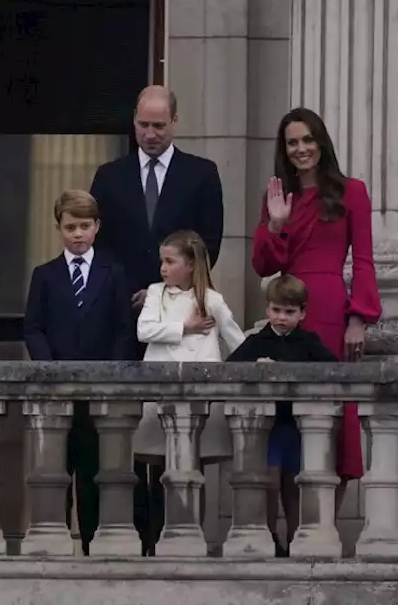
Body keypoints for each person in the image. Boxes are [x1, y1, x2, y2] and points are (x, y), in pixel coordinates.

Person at [252, 107, 383, 518]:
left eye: (308, 140)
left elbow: (363, 259)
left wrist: (359, 317)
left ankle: (322, 526)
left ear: (321, 142)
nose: (301, 149)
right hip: (288, 308)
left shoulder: (352, 192)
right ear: (284, 149)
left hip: (328, 309)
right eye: (293, 142)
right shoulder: (277, 197)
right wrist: (275, 225)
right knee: (289, 421)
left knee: (333, 419)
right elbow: (262, 264)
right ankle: (294, 533)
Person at [22, 189, 133, 554]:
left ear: (97, 227)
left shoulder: (114, 272)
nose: (78, 234)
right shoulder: (45, 275)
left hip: (99, 392)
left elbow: (122, 328)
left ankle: (90, 544)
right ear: (59, 228)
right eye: (70, 227)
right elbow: (33, 327)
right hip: (56, 392)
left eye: (85, 226)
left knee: (93, 471)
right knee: (54, 472)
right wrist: (50, 369)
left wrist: (109, 374)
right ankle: (55, 544)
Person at [133, 229, 245, 556]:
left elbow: (235, 339)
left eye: (170, 262)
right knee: (157, 466)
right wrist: (185, 328)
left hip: (199, 397)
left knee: (194, 468)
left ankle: (195, 535)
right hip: (159, 392)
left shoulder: (211, 300)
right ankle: (156, 539)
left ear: (191, 264)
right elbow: (145, 330)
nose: (163, 269)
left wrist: (259, 358)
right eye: (162, 262)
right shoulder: (155, 293)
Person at [226, 274, 338, 557]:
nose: (281, 317)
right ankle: (270, 536)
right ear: (267, 310)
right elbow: (230, 368)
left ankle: (295, 539)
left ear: (302, 313)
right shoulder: (257, 340)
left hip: (297, 426)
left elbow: (332, 369)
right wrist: (255, 366)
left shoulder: (309, 341)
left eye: (289, 312)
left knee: (294, 486)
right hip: (269, 427)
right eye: (276, 310)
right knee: (268, 483)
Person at [90, 85, 224, 318]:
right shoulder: (108, 177)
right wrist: (123, 290)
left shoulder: (202, 174)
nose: (150, 135)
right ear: (134, 120)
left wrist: (162, 292)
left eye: (159, 126)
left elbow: (208, 244)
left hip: (180, 307)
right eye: (143, 125)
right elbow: (99, 244)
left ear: (174, 121)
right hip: (120, 308)